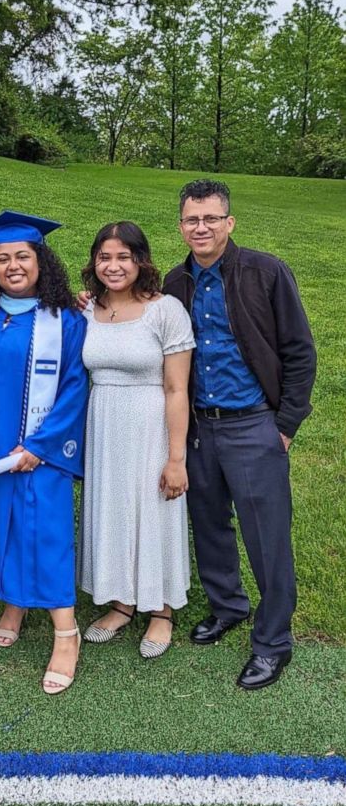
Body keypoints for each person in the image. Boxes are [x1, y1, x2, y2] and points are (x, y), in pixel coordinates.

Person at [162, 179, 316, 689]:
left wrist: (285, 426)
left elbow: (299, 351)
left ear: (229, 222)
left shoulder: (266, 272)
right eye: (191, 219)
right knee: (209, 527)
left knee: (267, 540)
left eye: (210, 218)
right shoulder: (174, 283)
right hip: (198, 429)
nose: (200, 227)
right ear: (181, 225)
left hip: (254, 425)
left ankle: (273, 643)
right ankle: (228, 605)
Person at [0, 211, 88, 694]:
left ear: (40, 261)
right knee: (0, 521)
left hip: (36, 448)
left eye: (22, 257)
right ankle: (14, 601)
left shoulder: (68, 320)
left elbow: (74, 387)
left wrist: (40, 445)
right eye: (2, 258)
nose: (12, 265)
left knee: (44, 531)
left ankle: (65, 634)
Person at [77, 221, 195, 658]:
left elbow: (177, 388)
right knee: (113, 511)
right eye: (105, 257)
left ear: (140, 261)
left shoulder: (165, 311)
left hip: (152, 426)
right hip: (104, 426)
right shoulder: (87, 310)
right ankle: (121, 603)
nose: (113, 265)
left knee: (152, 511)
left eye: (123, 256)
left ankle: (160, 610)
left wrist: (176, 458)